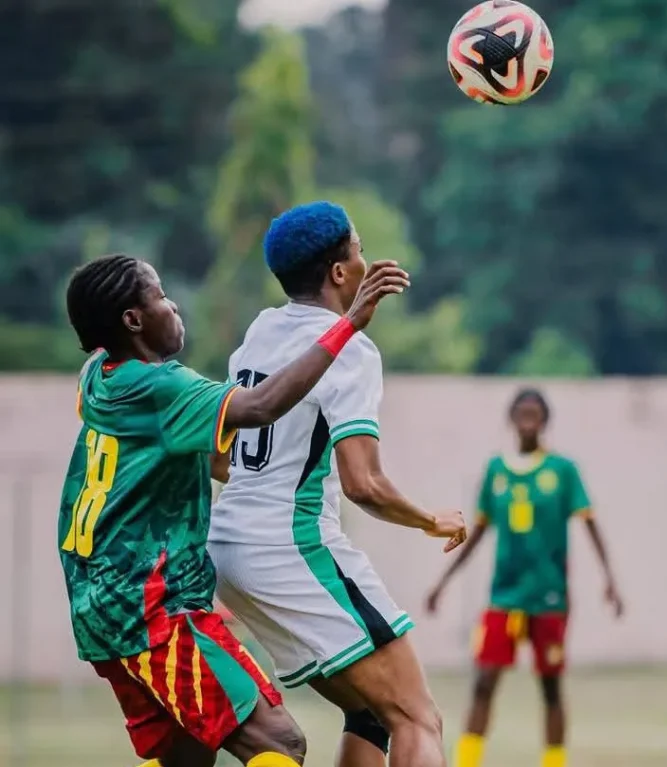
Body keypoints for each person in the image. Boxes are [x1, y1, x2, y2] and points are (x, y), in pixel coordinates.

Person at [59, 252, 407, 767]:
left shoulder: (99, 377)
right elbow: (260, 406)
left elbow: (215, 459)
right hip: (151, 610)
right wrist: (348, 325)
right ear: (132, 320)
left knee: (190, 754)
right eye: (159, 295)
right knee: (277, 742)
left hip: (102, 606)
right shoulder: (162, 388)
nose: (173, 305)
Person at [208, 201, 466, 767]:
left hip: (228, 549)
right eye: (359, 250)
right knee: (418, 717)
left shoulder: (261, 330)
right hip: (288, 547)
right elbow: (363, 483)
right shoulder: (347, 348)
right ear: (340, 272)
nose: (366, 259)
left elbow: (219, 457)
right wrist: (431, 520)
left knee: (372, 712)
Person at [425, 388, 624, 767]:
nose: (528, 419)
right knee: (484, 682)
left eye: (535, 413)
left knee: (550, 687)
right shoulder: (496, 471)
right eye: (522, 412)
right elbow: (480, 531)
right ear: (512, 419)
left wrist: (609, 578)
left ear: (545, 420)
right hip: (504, 595)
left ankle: (553, 762)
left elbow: (590, 523)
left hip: (549, 595)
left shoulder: (563, 471)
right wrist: (443, 582)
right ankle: (468, 761)